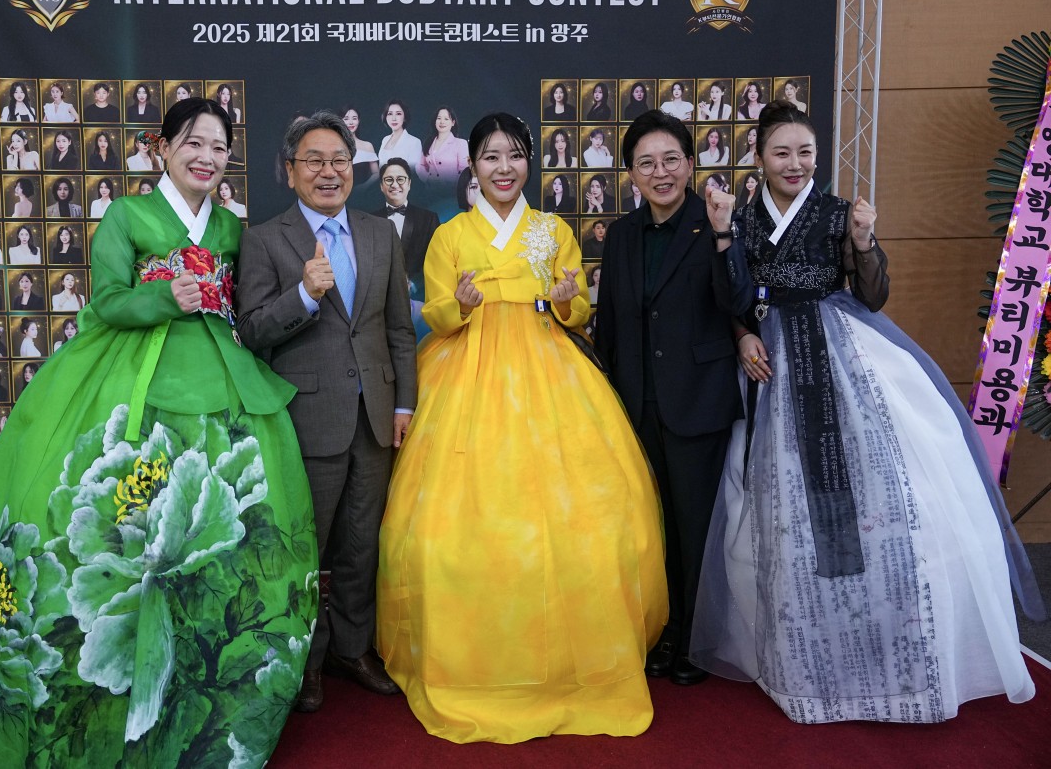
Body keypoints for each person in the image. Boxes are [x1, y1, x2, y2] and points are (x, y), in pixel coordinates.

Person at [0, 97, 318, 768]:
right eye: (194, 143)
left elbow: (248, 304)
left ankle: (207, 692)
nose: (207, 157)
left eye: (219, 147)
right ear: (162, 149)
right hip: (132, 371)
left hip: (219, 374)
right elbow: (107, 300)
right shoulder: (126, 215)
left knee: (228, 522)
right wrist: (163, 297)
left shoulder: (232, 229)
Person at [689, 100, 1044, 723]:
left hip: (840, 355)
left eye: (805, 152)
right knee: (783, 509)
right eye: (781, 152)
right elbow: (734, 297)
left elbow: (873, 296)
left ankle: (886, 646)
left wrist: (863, 240)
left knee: (880, 498)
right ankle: (801, 658)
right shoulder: (739, 219)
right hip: (773, 365)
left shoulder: (838, 213)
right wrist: (742, 329)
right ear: (759, 158)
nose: (795, 163)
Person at [376, 112, 666, 744]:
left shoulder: (553, 229)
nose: (503, 168)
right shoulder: (450, 234)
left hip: (548, 366)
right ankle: (474, 667)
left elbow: (577, 310)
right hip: (468, 367)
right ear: (472, 167)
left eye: (513, 155)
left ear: (529, 162)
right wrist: (460, 305)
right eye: (490, 157)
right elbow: (436, 312)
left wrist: (566, 298)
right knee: (455, 523)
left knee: (586, 517)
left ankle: (568, 667)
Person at [236, 110, 417, 714]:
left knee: (362, 544)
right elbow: (252, 330)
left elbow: (398, 328)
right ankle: (305, 660)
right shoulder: (265, 240)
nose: (328, 171)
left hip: (376, 416)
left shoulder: (379, 234)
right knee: (305, 548)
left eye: (339, 159)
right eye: (313, 160)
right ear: (290, 172)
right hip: (308, 420)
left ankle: (352, 649)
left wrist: (404, 402)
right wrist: (304, 295)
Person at [593, 108, 744, 688]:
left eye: (671, 160)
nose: (661, 173)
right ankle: (660, 631)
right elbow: (611, 322)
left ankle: (694, 640)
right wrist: (607, 395)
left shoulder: (716, 225)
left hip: (695, 400)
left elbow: (738, 302)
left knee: (693, 528)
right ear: (630, 173)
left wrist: (725, 236)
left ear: (690, 164)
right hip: (637, 402)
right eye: (646, 163)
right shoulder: (622, 235)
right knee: (649, 527)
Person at [379, 157, 440, 283]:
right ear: (381, 186)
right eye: (389, 180)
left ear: (409, 184)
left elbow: (437, 262)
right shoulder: (369, 221)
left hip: (418, 291)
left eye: (400, 179)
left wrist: (413, 283)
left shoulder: (429, 220)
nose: (395, 185)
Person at [417, 106, 469, 182]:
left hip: (451, 188)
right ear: (435, 121)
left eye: (446, 119)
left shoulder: (461, 143)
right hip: (430, 188)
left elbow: (464, 171)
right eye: (439, 118)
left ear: (453, 123)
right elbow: (420, 165)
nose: (442, 122)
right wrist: (427, 178)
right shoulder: (429, 142)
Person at [377, 99, 421, 166]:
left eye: (398, 114)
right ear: (385, 117)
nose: (394, 118)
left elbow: (412, 169)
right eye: (390, 114)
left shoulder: (414, 142)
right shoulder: (385, 140)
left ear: (404, 117)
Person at [341, 106, 380, 181]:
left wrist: (364, 186)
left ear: (358, 121)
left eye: (354, 118)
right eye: (346, 119)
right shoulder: (334, 146)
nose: (351, 122)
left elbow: (376, 173)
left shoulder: (367, 146)